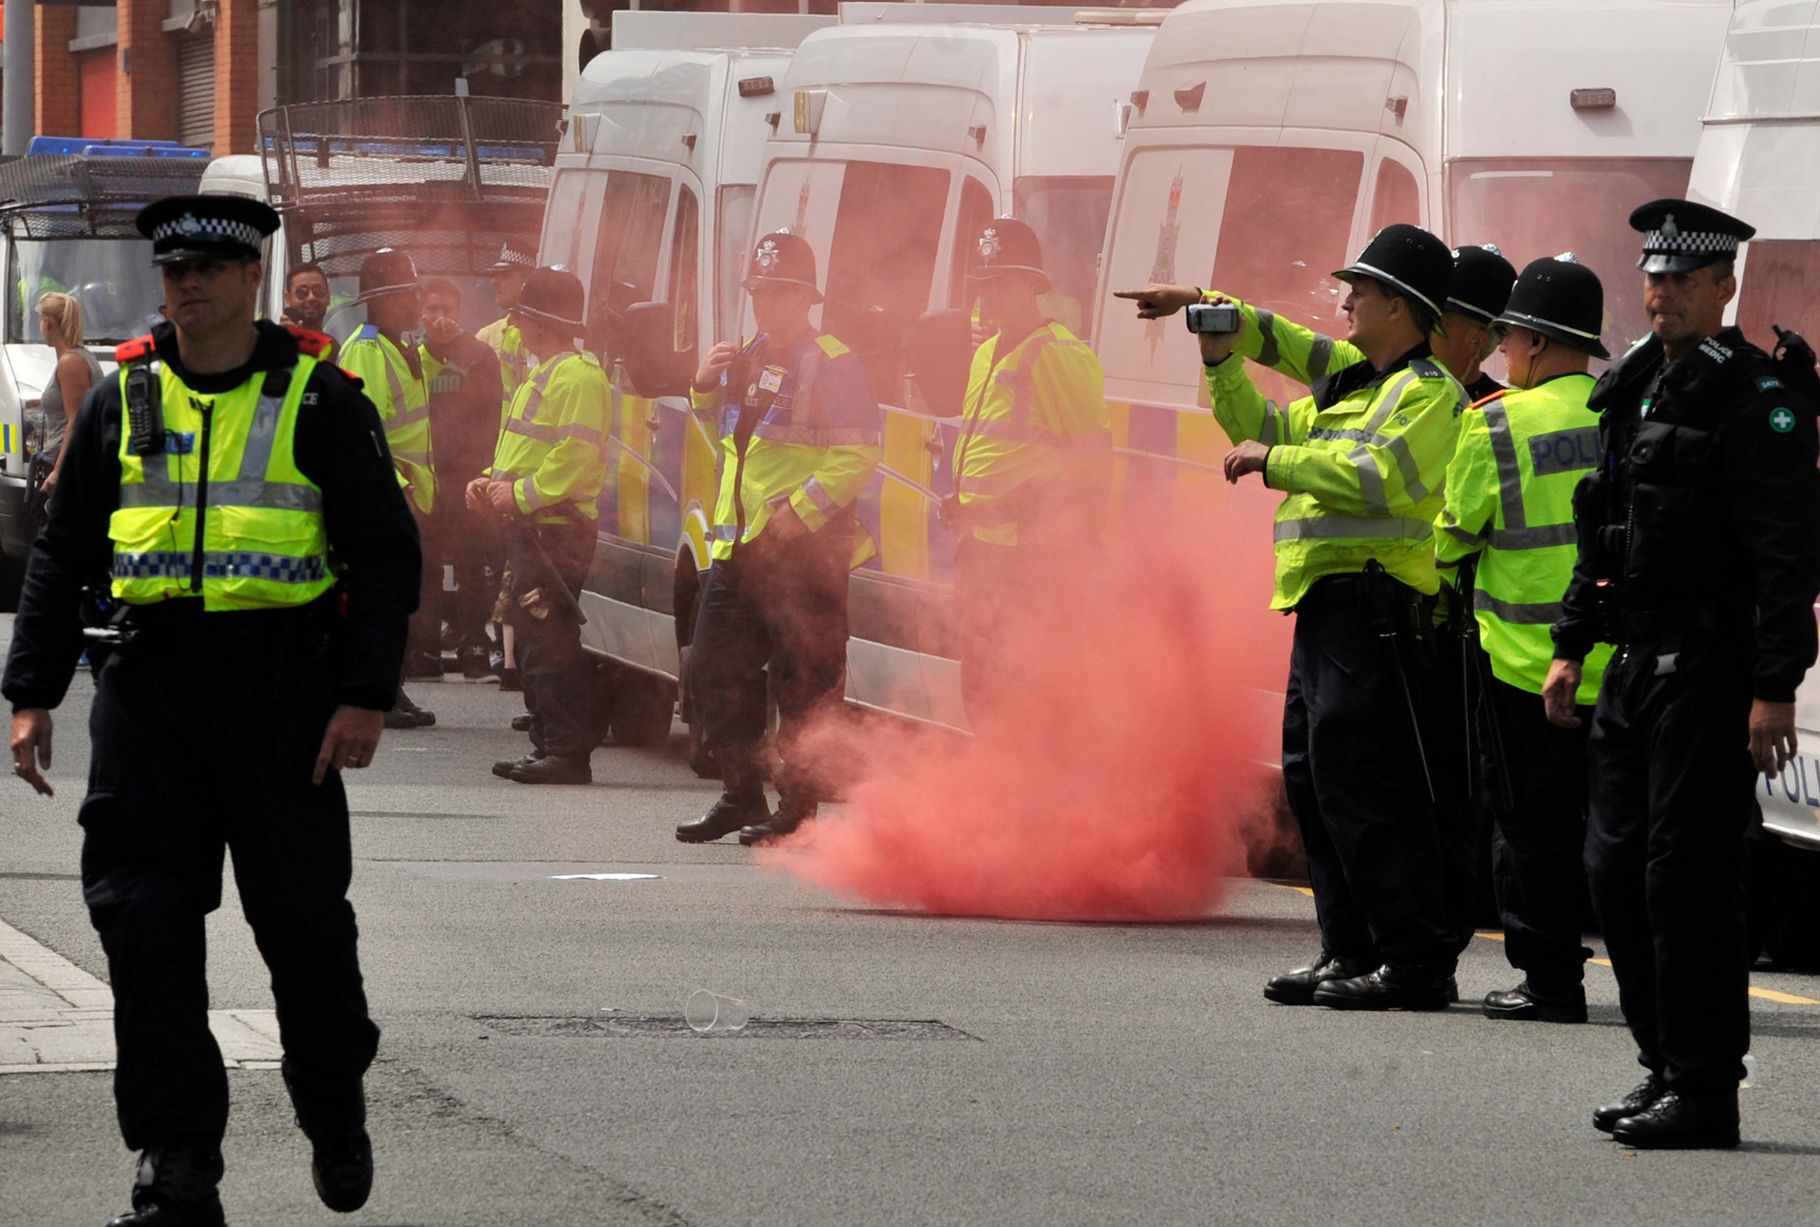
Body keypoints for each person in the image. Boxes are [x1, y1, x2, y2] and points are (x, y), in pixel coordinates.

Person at [3, 193, 420, 1226]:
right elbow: (64, 548)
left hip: (284, 698)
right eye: (174, 267)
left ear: (250, 280)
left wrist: (365, 693)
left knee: (305, 934)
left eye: (209, 268)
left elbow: (384, 551)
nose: (187, 282)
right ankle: (177, 1162)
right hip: (149, 698)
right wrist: (31, 692)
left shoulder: (320, 400)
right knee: (142, 926)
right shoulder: (124, 394)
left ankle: (332, 1103)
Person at [1130, 224, 1465, 1009]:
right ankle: (1346, 949)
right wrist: (1218, 350)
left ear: (1400, 305)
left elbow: (1376, 475)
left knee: (1366, 788)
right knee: (1316, 784)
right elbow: (1265, 407)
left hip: (1374, 614)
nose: (1346, 300)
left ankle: (1412, 961)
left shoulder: (1426, 392)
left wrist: (1272, 460)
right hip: (1326, 611)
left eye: (1362, 289)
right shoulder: (1356, 383)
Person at [1545, 200, 1820, 1148]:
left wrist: (1775, 684)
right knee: (1612, 869)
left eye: (1682, 280)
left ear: (1723, 288)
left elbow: (1788, 555)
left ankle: (1705, 1089)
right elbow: (1606, 527)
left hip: (1712, 669)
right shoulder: (1637, 386)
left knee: (1687, 880)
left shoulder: (1760, 399)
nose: (1660, 293)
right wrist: (1572, 641)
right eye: (1653, 278)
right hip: (1632, 661)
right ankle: (1663, 1065)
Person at [1433, 255, 1614, 1023]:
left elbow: (1452, 540)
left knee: (1530, 826)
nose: (1502, 351)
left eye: (1508, 337)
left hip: (1520, 668)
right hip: (1622, 663)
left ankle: (1549, 980)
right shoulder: (1621, 416)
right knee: (1616, 830)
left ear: (1536, 343)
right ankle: (1645, 981)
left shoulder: (1494, 423)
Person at [674, 231, 881, 846]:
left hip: (804, 554)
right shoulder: (744, 355)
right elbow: (726, 436)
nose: (767, 305)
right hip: (739, 548)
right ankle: (740, 795)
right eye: (760, 294)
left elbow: (859, 453)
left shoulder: (836, 361)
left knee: (805, 685)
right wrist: (703, 387)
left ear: (806, 299)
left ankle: (797, 809)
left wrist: (800, 509)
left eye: (780, 293)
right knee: (711, 669)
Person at [943, 217, 1111, 725]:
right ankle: (1000, 798)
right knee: (982, 689)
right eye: (984, 283)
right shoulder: (987, 352)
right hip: (983, 550)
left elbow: (1092, 462)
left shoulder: (1057, 351)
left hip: (1032, 558)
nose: (989, 294)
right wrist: (966, 501)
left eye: (1002, 282)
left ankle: (1041, 800)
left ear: (1032, 286)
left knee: (1030, 692)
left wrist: (1050, 516)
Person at [471, 267, 611, 785]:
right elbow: (526, 447)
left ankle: (567, 753)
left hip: (556, 529)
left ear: (541, 322)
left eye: (521, 314)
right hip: (536, 526)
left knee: (547, 640)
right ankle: (549, 745)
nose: (513, 322)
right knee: (535, 638)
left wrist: (520, 495)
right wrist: (489, 480)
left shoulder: (576, 376)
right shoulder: (547, 371)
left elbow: (573, 456)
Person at [340, 249, 441, 723]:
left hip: (410, 494)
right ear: (379, 301)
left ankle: (393, 689)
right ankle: (382, 694)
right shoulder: (366, 349)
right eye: (407, 294)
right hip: (389, 495)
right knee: (383, 598)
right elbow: (367, 430)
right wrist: (397, 490)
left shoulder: (403, 347)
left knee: (402, 599)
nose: (416, 303)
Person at [421, 278, 506, 682]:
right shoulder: (411, 358)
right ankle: (425, 652)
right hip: (427, 479)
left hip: (470, 479)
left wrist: (487, 473)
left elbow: (494, 417)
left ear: (460, 313)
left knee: (473, 565)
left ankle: (474, 648)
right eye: (433, 309)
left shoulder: (480, 356)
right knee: (427, 566)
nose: (441, 318)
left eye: (448, 310)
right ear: (421, 313)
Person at [31, 291, 103, 514]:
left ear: (47, 322)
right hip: (71, 463)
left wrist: (58, 472)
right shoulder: (75, 358)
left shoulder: (71, 362)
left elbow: (76, 421)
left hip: (69, 467)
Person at [477, 239, 536, 409]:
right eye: (496, 275)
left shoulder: (545, 338)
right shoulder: (486, 337)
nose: (494, 281)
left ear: (528, 281)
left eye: (506, 275)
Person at [280, 261, 331, 334]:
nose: (311, 297)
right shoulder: (275, 339)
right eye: (302, 292)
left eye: (318, 291)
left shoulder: (338, 340)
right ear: (288, 299)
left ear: (328, 297)